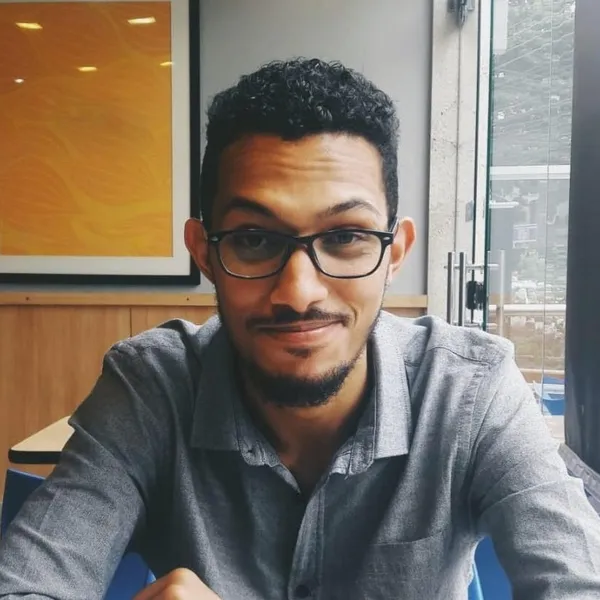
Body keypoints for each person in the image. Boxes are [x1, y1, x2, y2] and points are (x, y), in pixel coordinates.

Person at [1, 58, 599, 600]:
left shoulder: (471, 390)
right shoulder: (151, 388)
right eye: (254, 239)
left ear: (394, 253)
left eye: (346, 237)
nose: (298, 292)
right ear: (204, 252)